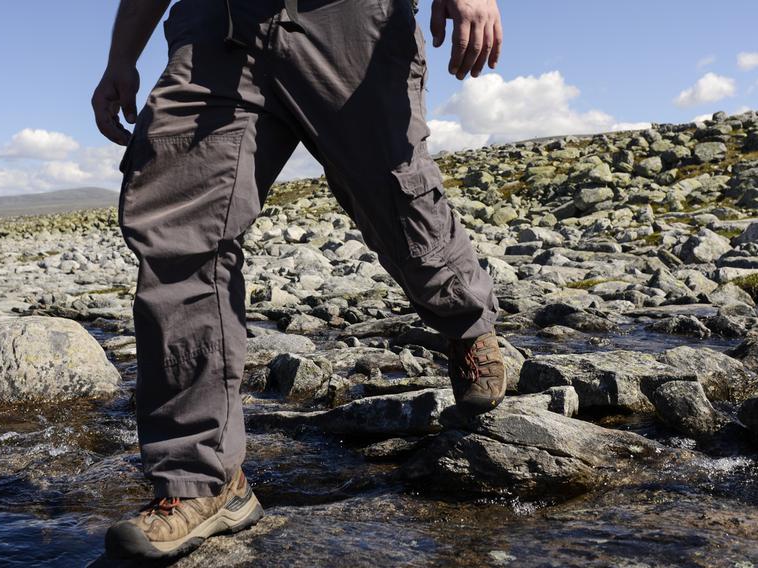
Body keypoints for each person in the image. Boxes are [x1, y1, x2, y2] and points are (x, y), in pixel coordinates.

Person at [92, 0, 505, 560]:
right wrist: (121, 55)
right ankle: (202, 480)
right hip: (218, 26)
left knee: (394, 195)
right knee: (178, 229)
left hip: (352, 18)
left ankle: (466, 322)